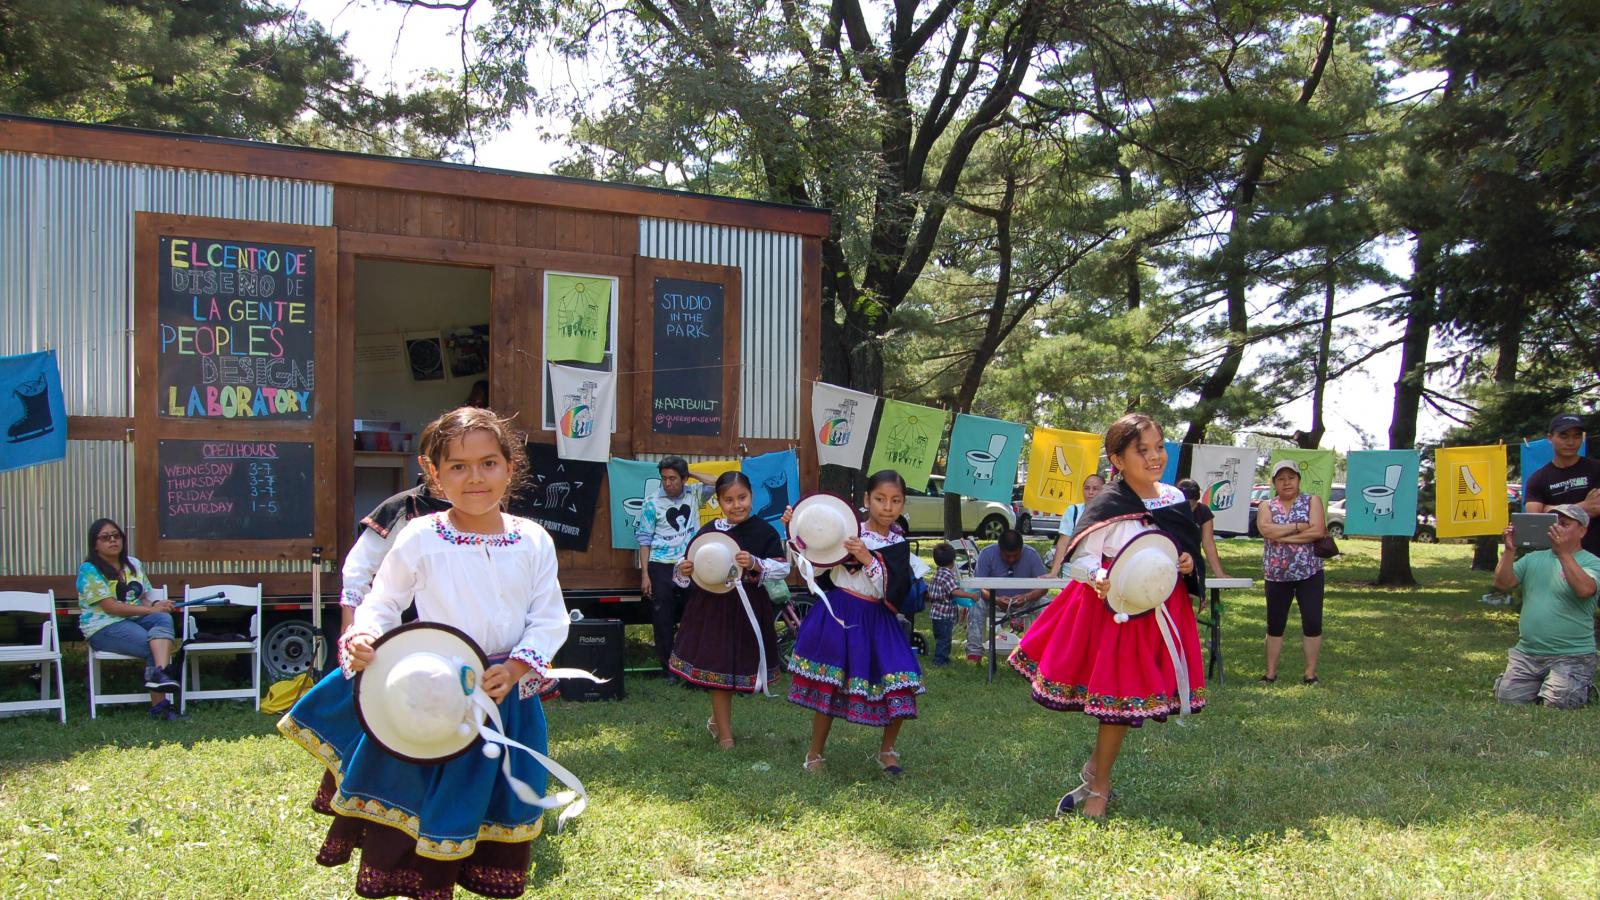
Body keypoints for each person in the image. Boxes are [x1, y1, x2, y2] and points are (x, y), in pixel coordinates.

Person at [278, 406, 572, 899]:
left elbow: (549, 617)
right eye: (457, 466)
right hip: (432, 694)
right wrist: (365, 637)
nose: (474, 478)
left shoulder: (533, 540)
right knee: (425, 807)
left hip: (505, 700)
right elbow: (383, 602)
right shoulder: (420, 535)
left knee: (482, 807)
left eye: (488, 463)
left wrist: (519, 664)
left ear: (510, 467)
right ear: (434, 474)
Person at [1008, 413, 1206, 819]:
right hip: (1114, 610)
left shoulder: (1172, 499)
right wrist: (1097, 574)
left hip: (1160, 609)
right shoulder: (1107, 502)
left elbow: (1183, 549)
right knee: (1116, 701)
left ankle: (1096, 773)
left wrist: (1188, 562)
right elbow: (1081, 558)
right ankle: (1099, 786)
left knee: (1124, 702)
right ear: (1116, 459)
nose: (1155, 458)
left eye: (1159, 447)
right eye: (1142, 450)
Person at [785, 471, 925, 775]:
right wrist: (794, 528)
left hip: (878, 618)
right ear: (866, 500)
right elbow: (812, 558)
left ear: (903, 504)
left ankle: (887, 750)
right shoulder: (845, 529)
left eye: (895, 500)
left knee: (902, 680)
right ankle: (815, 754)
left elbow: (892, 591)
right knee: (830, 683)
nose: (887, 507)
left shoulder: (899, 544)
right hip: (840, 614)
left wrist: (869, 560)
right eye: (880, 499)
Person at [669, 472, 789, 748]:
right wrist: (684, 569)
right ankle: (725, 736)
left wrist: (756, 563)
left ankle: (716, 721)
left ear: (752, 496)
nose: (737, 505)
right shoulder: (709, 531)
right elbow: (688, 564)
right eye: (729, 500)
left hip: (748, 611)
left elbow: (782, 567)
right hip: (712, 609)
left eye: (742, 498)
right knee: (719, 666)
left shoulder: (764, 531)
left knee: (738, 665)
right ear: (720, 502)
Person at [1491, 504, 1600, 708]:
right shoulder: (1533, 558)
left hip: (1572, 655)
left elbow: (1585, 590)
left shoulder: (1592, 562)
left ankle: (1582, 687)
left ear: (1582, 531)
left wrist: (1564, 554)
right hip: (1528, 653)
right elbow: (1502, 583)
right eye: (1553, 523)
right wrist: (1509, 550)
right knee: (1508, 701)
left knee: (1558, 704)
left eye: (1564, 524)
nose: (1556, 528)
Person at [75, 517, 184, 720]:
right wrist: (151, 611)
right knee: (152, 643)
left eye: (116, 536)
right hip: (103, 626)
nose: (113, 540)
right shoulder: (89, 570)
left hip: (133, 619)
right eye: (106, 537)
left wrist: (157, 605)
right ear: (95, 544)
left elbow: (144, 596)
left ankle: (159, 675)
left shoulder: (133, 564)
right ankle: (161, 704)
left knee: (163, 619)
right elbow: (111, 607)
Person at [636, 457, 721, 682]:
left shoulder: (694, 493)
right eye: (664, 478)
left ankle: (692, 665)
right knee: (662, 616)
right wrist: (645, 574)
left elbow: (718, 483)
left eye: (673, 478)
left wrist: (690, 473)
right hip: (660, 564)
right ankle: (669, 670)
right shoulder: (652, 502)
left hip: (690, 563)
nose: (668, 483)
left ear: (683, 479)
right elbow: (644, 540)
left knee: (694, 614)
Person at [339, 476, 452, 634]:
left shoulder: (493, 510)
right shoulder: (402, 507)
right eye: (457, 466)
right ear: (430, 466)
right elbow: (361, 563)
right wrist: (351, 619)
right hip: (410, 626)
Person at [1256, 459, 1327, 685]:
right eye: (1281, 479)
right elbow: (1265, 529)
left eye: (1291, 478)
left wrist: (1283, 536)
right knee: (1274, 624)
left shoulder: (1312, 501)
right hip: (1277, 574)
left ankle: (1310, 673)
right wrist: (1297, 527)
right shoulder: (1266, 506)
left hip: (1310, 572)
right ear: (1274, 482)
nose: (1286, 483)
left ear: (1298, 479)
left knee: (1312, 621)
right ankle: (1270, 672)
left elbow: (1316, 530)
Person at [1525, 414, 1600, 556]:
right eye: (1564, 436)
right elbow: (1535, 520)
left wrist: (1550, 509)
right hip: (1556, 558)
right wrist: (1584, 506)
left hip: (1595, 557)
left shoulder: (1596, 469)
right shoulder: (1538, 479)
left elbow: (1596, 507)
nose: (1571, 442)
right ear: (1550, 438)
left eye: (1577, 436)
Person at [967, 529, 1047, 662]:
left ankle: (1045, 654)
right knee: (976, 603)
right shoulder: (987, 554)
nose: (1011, 559)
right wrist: (996, 600)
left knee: (1048, 606)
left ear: (1021, 549)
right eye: (1007, 556)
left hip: (1026, 602)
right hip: (993, 601)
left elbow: (1043, 587)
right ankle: (974, 653)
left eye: (1016, 555)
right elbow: (979, 586)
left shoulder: (1032, 555)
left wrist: (1026, 597)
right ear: (1000, 550)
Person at [925, 542, 979, 666]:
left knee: (941, 639)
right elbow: (954, 591)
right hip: (944, 615)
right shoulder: (947, 575)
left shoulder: (937, 573)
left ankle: (944, 659)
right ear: (953, 561)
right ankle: (939, 661)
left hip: (936, 615)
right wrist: (971, 595)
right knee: (944, 640)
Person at [1047, 473, 1106, 577]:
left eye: (1095, 489)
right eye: (1087, 488)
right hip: (1072, 570)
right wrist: (1054, 572)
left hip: (1100, 572)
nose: (1090, 492)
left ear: (1104, 491)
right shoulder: (1073, 511)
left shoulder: (1111, 515)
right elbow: (1063, 543)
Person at [1177, 477, 1231, 579]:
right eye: (1185, 506)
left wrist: (1219, 574)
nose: (1189, 510)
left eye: (1192, 505)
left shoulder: (1203, 511)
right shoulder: (1168, 511)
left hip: (1194, 562)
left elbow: (1208, 543)